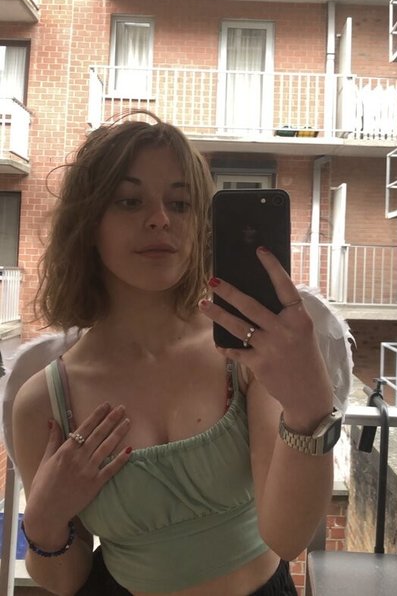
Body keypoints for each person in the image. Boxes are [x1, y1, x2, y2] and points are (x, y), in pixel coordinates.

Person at [10, 113, 344, 596]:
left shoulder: (243, 353)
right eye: (129, 201)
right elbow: (67, 580)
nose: (160, 219)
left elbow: (287, 538)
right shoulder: (43, 400)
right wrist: (42, 521)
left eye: (181, 203)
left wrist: (310, 404)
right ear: (88, 224)